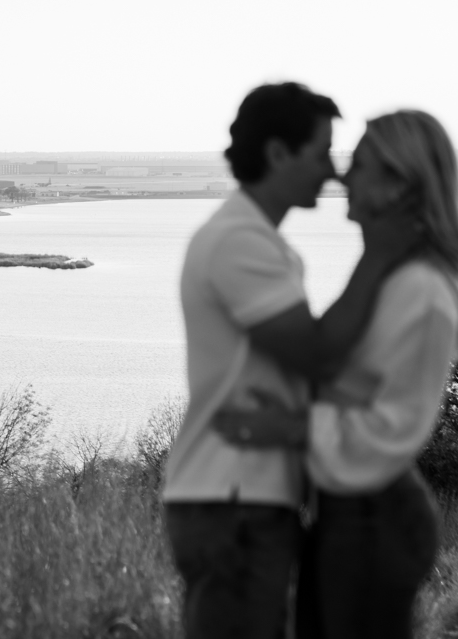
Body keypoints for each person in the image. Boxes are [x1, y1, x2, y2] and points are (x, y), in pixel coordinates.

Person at [162, 83, 419, 639]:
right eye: (321, 152)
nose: (333, 171)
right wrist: (378, 255)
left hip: (240, 497)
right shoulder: (240, 243)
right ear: (279, 153)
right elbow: (317, 355)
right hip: (234, 497)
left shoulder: (253, 240)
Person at [215, 110, 458, 639]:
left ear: (397, 185)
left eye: (361, 164)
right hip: (348, 520)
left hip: (376, 523)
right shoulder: (390, 278)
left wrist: (290, 427)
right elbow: (341, 380)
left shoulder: (421, 293)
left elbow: (393, 429)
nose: (344, 176)